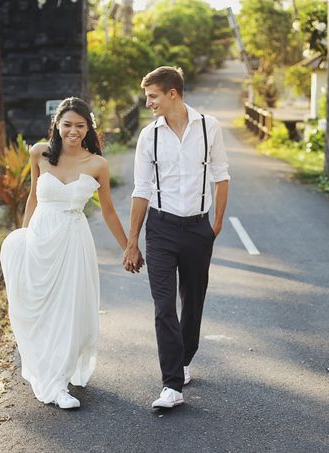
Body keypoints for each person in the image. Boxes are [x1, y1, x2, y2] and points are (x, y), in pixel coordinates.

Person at [0, 97, 130, 409]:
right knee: (40, 308)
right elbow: (33, 196)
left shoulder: (97, 164)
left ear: (89, 128)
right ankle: (47, 370)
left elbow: (109, 212)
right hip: (41, 237)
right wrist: (24, 235)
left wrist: (129, 247)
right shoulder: (40, 152)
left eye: (80, 125)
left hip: (73, 242)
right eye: (68, 124)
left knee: (69, 309)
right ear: (57, 126)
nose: (73, 130)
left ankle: (58, 383)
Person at [123, 66, 230, 408]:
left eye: (153, 96)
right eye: (146, 97)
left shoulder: (209, 127)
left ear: (173, 93)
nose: (148, 103)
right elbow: (141, 189)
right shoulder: (148, 136)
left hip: (198, 228)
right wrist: (132, 241)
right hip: (161, 229)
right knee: (164, 306)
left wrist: (216, 224)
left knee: (193, 301)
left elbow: (221, 175)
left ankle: (184, 358)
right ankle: (171, 384)